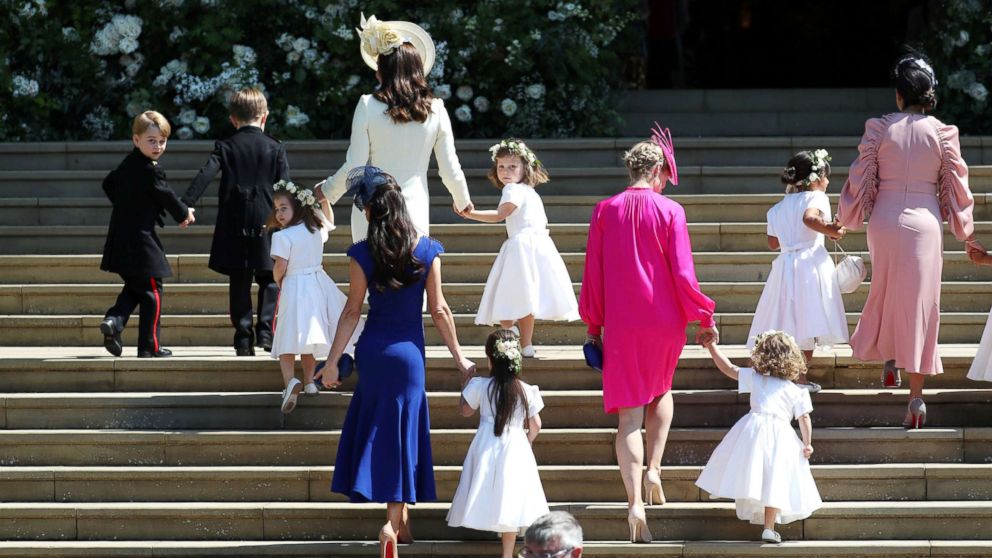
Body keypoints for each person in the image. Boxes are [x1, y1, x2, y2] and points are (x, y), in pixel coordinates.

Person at [321, 168, 475, 558]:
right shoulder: (426, 250)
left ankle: (401, 524)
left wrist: (331, 360)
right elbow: (438, 309)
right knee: (403, 433)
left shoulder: (360, 253)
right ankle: (393, 522)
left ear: (371, 212)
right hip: (409, 355)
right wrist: (460, 358)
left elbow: (352, 312)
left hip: (374, 351)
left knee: (381, 430)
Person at [578, 125, 717, 543]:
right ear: (657, 169)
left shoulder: (605, 210)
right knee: (661, 389)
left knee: (628, 419)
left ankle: (634, 500)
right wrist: (703, 315)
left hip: (622, 321)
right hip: (664, 320)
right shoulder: (671, 211)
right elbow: (682, 272)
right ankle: (655, 468)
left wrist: (593, 324)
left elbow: (593, 275)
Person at [837, 52, 977, 428]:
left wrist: (846, 218)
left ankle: (888, 361)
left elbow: (861, 176)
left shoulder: (879, 129)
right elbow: (957, 189)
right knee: (920, 304)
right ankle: (915, 399)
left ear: (899, 95)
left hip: (883, 220)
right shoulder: (944, 134)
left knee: (885, 289)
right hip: (925, 222)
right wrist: (965, 232)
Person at [318, 14, 473, 242]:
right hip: (414, 208)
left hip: (371, 207)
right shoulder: (437, 109)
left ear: (385, 70)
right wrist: (462, 200)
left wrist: (328, 190)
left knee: (368, 274)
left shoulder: (367, 104)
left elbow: (356, 165)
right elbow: (449, 167)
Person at [182, 87, 290, 356]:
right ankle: (266, 332)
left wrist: (185, 204)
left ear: (233, 119)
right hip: (269, 219)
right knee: (270, 277)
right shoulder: (275, 147)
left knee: (239, 279)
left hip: (234, 219)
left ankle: (243, 338)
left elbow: (205, 173)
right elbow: (285, 186)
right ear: (264, 117)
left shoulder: (225, 146)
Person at [696, 331, 822, 544]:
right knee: (775, 478)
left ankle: (762, 515)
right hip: (781, 435)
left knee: (755, 472)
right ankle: (768, 527)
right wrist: (807, 444)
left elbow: (729, 368)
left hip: (753, 429)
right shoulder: (797, 390)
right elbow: (805, 418)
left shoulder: (756, 379)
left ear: (761, 354)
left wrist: (712, 348)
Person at [746, 149, 849, 392]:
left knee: (787, 319)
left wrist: (792, 239)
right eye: (826, 176)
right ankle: (800, 379)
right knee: (808, 320)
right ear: (815, 178)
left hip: (785, 266)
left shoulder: (778, 207)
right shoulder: (816, 198)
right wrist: (834, 231)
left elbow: (773, 243)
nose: (827, 182)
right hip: (809, 264)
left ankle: (785, 377)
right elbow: (809, 219)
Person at [465, 139, 579, 357]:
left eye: (512, 167)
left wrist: (470, 214)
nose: (506, 172)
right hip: (538, 247)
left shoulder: (512, 190)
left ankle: (510, 333)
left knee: (508, 293)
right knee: (527, 297)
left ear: (525, 168)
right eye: (501, 167)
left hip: (521, 248)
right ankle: (525, 344)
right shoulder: (530, 191)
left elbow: (500, 215)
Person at [99, 111, 195, 358]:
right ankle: (149, 346)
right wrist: (184, 214)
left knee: (136, 286)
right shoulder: (151, 171)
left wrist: (129, 205)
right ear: (136, 140)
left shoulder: (128, 164)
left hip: (121, 239)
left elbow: (108, 184)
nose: (158, 146)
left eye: (162, 141)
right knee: (153, 290)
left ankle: (114, 321)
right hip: (139, 240)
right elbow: (166, 195)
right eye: (151, 140)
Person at [446, 329, 549, 558]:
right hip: (515, 445)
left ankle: (487, 520)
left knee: (487, 487)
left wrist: (465, 385)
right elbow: (536, 425)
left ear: (490, 359)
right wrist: (527, 441)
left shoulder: (481, 386)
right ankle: (507, 553)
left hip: (486, 442)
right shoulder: (525, 390)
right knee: (510, 496)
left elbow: (465, 411)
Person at [267, 180, 359, 414]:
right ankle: (309, 382)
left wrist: (279, 280)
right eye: (276, 209)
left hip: (294, 284)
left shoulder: (283, 236)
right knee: (307, 335)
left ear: (297, 207)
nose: (278, 214)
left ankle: (290, 382)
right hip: (317, 285)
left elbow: (280, 265)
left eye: (283, 208)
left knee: (288, 335)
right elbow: (330, 222)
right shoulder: (315, 229)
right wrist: (325, 200)